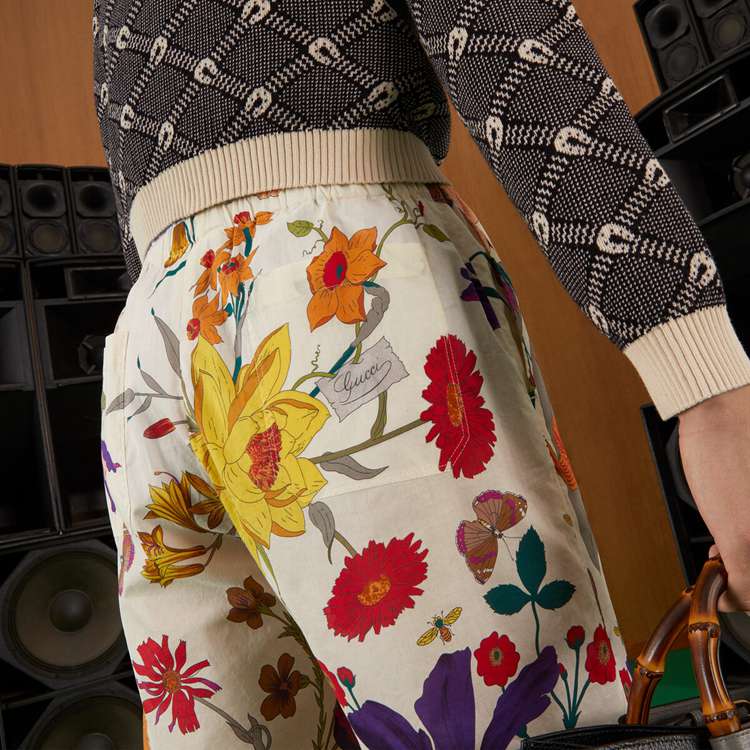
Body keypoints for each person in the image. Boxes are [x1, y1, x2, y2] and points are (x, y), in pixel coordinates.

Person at [93, 0, 750, 747]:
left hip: (239, 302)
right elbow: (502, 32)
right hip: (236, 300)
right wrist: (715, 393)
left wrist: (706, 385)